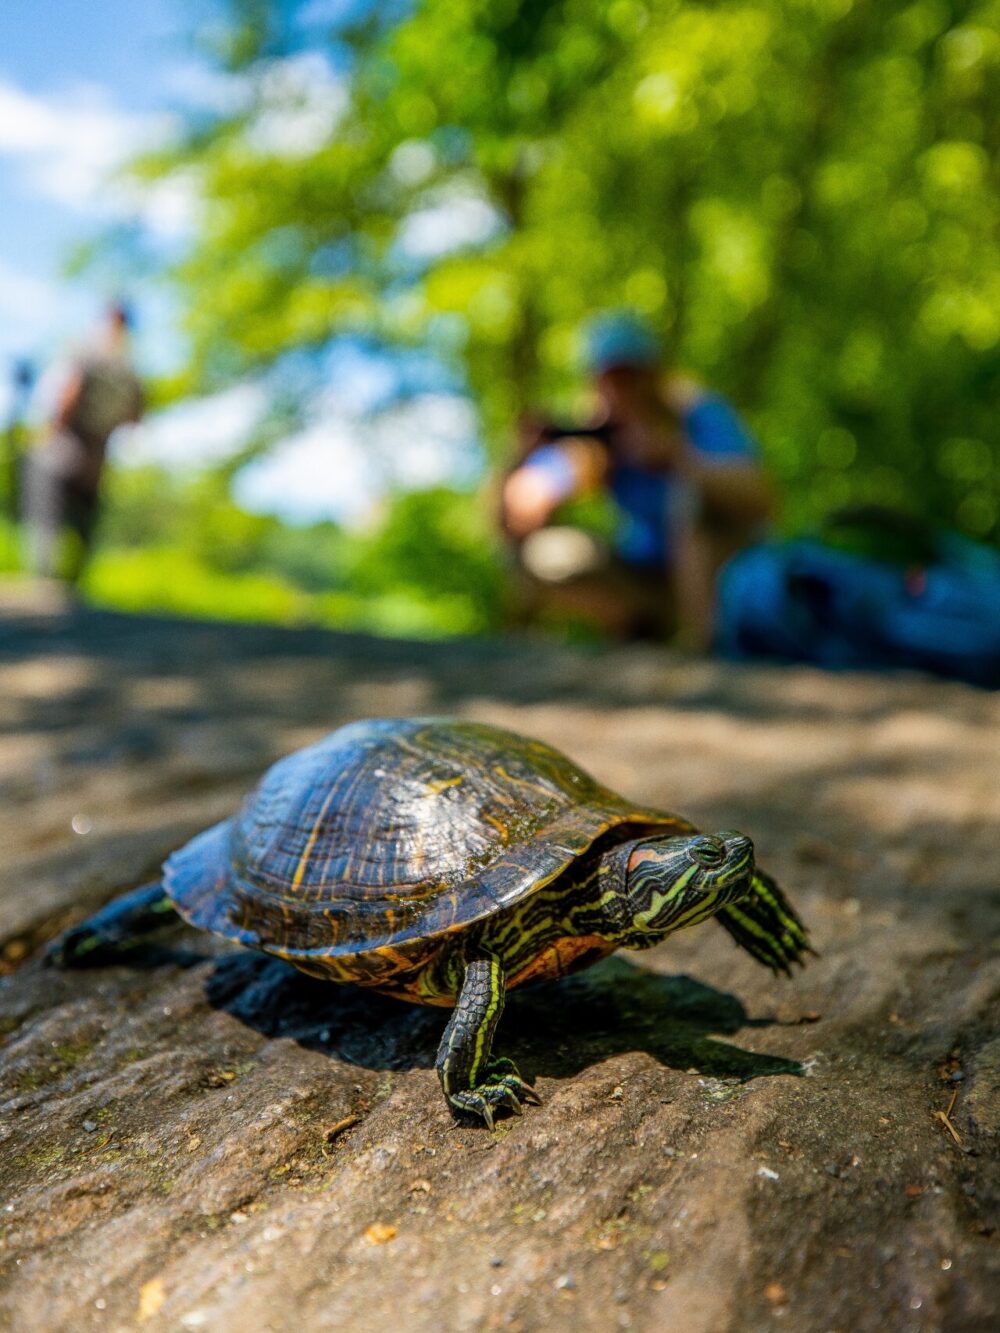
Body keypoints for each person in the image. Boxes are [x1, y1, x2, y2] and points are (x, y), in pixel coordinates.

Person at [501, 312, 774, 647]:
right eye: (609, 379)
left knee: (689, 497)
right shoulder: (598, 435)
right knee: (547, 556)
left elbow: (762, 500)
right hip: (647, 578)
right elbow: (523, 502)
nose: (621, 392)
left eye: (631, 378)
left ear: (654, 377)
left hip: (727, 573)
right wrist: (531, 468)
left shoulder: (698, 414)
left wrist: (676, 458)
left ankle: (707, 644)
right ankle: (641, 631)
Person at [23, 302, 144, 585]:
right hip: (98, 454)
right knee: (84, 520)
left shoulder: (88, 351)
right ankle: (73, 586)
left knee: (45, 508)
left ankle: (44, 579)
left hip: (67, 443)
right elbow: (136, 416)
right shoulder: (130, 367)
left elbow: (70, 393)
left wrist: (51, 431)